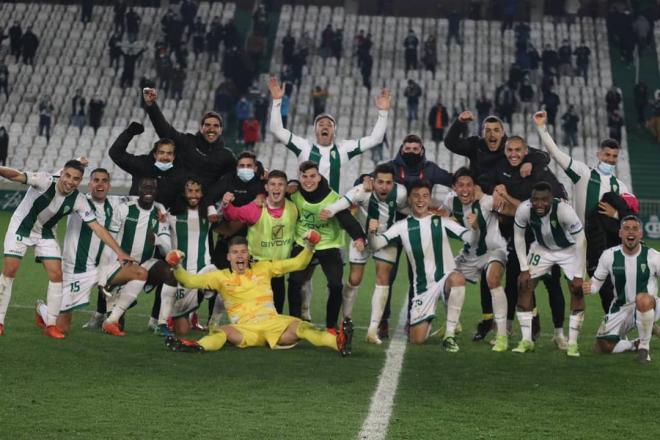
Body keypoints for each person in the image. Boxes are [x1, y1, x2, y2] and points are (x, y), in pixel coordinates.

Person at [0, 160, 132, 338]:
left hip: (45, 233)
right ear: (61, 174)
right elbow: (16, 175)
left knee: (56, 274)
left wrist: (120, 252)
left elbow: (97, 228)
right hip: (21, 228)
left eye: (76, 179)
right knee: (10, 271)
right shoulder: (45, 181)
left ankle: (51, 324)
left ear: (80, 181)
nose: (70, 181)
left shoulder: (78, 199)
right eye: (67, 176)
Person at [164, 234, 354, 356]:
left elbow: (298, 263)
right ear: (228, 257)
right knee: (223, 331)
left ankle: (339, 343)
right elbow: (188, 281)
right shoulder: (219, 277)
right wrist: (176, 266)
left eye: (243, 252)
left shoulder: (264, 268)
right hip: (245, 329)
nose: (240, 256)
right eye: (235, 253)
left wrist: (310, 247)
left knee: (303, 327)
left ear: (248, 254)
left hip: (274, 323)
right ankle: (196, 346)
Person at [534, 110, 630, 313]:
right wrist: (542, 128)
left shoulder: (621, 187)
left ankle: (615, 324)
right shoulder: (583, 173)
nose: (610, 160)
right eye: (607, 155)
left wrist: (615, 214)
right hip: (572, 241)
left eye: (614, 156)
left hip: (599, 246)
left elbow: (629, 218)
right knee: (550, 283)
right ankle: (556, 332)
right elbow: (557, 154)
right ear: (598, 155)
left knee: (605, 289)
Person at [480, 136, 570, 347]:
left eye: (518, 150)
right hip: (518, 236)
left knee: (552, 284)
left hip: (544, 236)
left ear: (526, 151)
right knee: (514, 281)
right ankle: (508, 327)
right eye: (510, 149)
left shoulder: (538, 170)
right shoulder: (501, 167)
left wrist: (508, 199)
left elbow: (536, 206)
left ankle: (559, 334)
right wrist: (495, 189)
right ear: (505, 151)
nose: (513, 154)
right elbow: (484, 179)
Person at [369, 180, 475, 350]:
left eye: (425, 196)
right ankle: (430, 319)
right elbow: (375, 245)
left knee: (458, 279)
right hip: (423, 288)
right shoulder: (401, 226)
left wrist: (475, 226)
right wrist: (371, 231)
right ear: (409, 200)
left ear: (430, 199)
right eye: (416, 196)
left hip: (445, 278)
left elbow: (470, 238)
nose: (420, 200)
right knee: (417, 340)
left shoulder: (441, 221)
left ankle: (449, 334)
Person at [320, 163, 407, 344]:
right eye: (380, 182)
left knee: (383, 280)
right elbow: (343, 202)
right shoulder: (362, 190)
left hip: (386, 239)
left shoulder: (401, 193)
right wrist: (329, 211)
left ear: (394, 183)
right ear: (372, 181)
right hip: (361, 238)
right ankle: (346, 319)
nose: (384, 186)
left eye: (388, 183)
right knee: (354, 279)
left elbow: (406, 208)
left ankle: (372, 330)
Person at [36, 168, 128, 334]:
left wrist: (161, 211)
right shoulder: (77, 200)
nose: (100, 184)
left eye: (104, 181)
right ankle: (42, 308)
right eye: (96, 180)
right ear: (89, 183)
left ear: (109, 185)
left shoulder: (116, 203)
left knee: (136, 272)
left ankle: (107, 315)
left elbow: (142, 199)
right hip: (75, 268)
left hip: (101, 267)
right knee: (62, 327)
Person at [268, 76, 390, 194]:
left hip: (334, 210)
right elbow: (276, 129)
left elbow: (376, 139)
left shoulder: (344, 149)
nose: (325, 126)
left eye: (329, 125)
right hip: (306, 210)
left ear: (334, 131)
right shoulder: (303, 146)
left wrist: (383, 113)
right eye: (321, 124)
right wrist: (277, 101)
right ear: (315, 131)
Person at [287, 162, 366, 331]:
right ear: (299, 177)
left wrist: (359, 237)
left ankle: (331, 326)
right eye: (304, 177)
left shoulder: (333, 198)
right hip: (303, 243)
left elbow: (348, 220)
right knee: (294, 282)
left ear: (319, 177)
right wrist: (289, 184)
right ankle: (293, 324)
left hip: (328, 245)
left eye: (312, 176)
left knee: (336, 285)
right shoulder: (294, 194)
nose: (308, 181)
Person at [512, 182, 586, 356]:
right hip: (542, 249)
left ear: (551, 199)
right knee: (523, 284)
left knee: (577, 290)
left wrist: (578, 274)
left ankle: (573, 343)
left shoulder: (564, 211)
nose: (539, 204)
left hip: (570, 250)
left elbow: (582, 241)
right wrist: (524, 268)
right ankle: (526, 340)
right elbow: (518, 236)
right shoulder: (524, 209)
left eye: (544, 200)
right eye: (535, 199)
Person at [97, 177, 172, 336]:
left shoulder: (160, 215)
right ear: (138, 189)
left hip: (146, 264)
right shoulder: (124, 209)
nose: (148, 191)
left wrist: (158, 241)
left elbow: (167, 251)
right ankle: (112, 311)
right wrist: (103, 273)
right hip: (121, 264)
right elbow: (109, 242)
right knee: (119, 326)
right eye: (145, 187)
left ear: (156, 191)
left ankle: (160, 323)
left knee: (170, 273)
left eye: (152, 188)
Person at [444, 168, 509, 351]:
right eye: (461, 185)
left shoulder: (487, 201)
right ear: (454, 188)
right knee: (446, 281)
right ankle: (452, 324)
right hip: (470, 254)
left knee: (493, 279)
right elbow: (444, 214)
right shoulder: (449, 201)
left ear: (476, 187)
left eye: (469, 185)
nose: (465, 190)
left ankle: (502, 336)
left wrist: (500, 198)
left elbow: (508, 213)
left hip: (494, 250)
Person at [584, 216, 660, 363]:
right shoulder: (609, 255)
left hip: (649, 304)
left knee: (642, 299)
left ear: (641, 234)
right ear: (620, 233)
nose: (630, 232)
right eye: (626, 228)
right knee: (602, 346)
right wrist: (588, 287)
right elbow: (595, 284)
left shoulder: (653, 256)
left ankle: (644, 348)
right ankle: (635, 344)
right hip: (621, 308)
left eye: (635, 229)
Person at [222, 170, 297, 314]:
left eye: (280, 184)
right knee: (254, 312)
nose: (276, 188)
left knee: (276, 312)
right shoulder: (256, 208)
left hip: (278, 271)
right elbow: (233, 214)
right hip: (257, 270)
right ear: (266, 187)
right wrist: (226, 204)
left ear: (286, 188)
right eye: (272, 184)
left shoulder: (294, 207)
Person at [143, 88, 236, 193]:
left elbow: (237, 179)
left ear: (220, 130)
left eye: (216, 126)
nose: (211, 129)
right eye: (207, 125)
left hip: (205, 205)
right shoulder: (187, 142)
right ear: (201, 128)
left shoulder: (226, 156)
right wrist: (151, 106)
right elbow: (165, 131)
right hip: (178, 201)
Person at [165, 178, 220, 336]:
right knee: (180, 316)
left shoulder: (208, 214)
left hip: (204, 267)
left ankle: (213, 323)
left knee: (223, 287)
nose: (194, 194)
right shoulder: (172, 214)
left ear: (203, 193)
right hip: (181, 269)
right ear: (183, 193)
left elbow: (223, 219)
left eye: (197, 191)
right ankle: (165, 320)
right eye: (190, 191)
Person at [108, 122, 187, 209]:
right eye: (161, 152)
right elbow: (115, 153)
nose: (165, 157)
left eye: (169, 153)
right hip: (136, 218)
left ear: (173, 156)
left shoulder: (181, 174)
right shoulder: (142, 165)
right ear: (155, 155)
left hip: (164, 219)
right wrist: (129, 133)